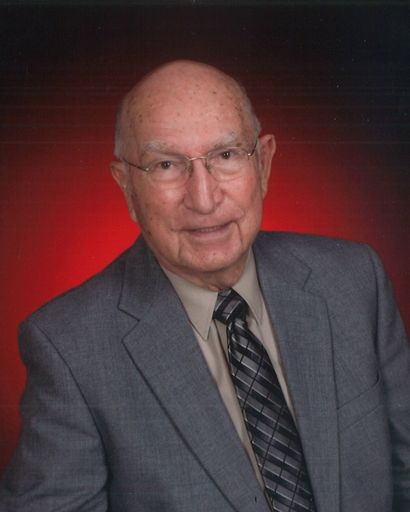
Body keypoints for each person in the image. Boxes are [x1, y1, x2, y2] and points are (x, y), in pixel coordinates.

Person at [0, 60, 409, 512]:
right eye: (166, 164)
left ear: (264, 163)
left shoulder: (353, 280)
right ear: (127, 186)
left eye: (227, 155)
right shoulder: (69, 348)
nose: (203, 197)